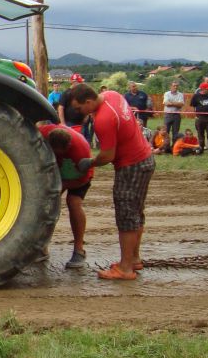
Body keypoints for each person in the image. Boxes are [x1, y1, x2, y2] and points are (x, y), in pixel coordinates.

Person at [70, 83, 155, 281]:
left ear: (89, 102)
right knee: (135, 211)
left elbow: (108, 155)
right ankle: (133, 258)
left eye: (79, 108)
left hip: (130, 166)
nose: (78, 112)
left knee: (126, 214)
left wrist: (89, 162)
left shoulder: (103, 120)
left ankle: (125, 268)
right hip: (145, 159)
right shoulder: (112, 95)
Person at [39, 124, 94, 270]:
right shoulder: (44, 132)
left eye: (59, 152)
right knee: (47, 206)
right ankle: (41, 246)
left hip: (78, 176)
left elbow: (83, 179)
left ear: (67, 147)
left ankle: (79, 250)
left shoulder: (80, 152)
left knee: (73, 203)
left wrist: (60, 187)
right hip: (56, 173)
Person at [190, 82, 208, 153]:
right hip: (200, 117)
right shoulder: (196, 96)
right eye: (207, 89)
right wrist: (195, 115)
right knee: (200, 134)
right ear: (202, 89)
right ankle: (201, 148)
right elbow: (193, 106)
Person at [162, 81, 185, 151]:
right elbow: (166, 103)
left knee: (175, 132)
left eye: (177, 86)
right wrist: (176, 103)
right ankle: (166, 147)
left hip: (176, 115)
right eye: (174, 86)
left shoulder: (180, 94)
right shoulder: (166, 94)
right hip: (168, 115)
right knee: (166, 132)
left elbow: (181, 104)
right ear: (171, 86)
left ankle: (174, 147)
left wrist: (171, 103)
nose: (175, 87)